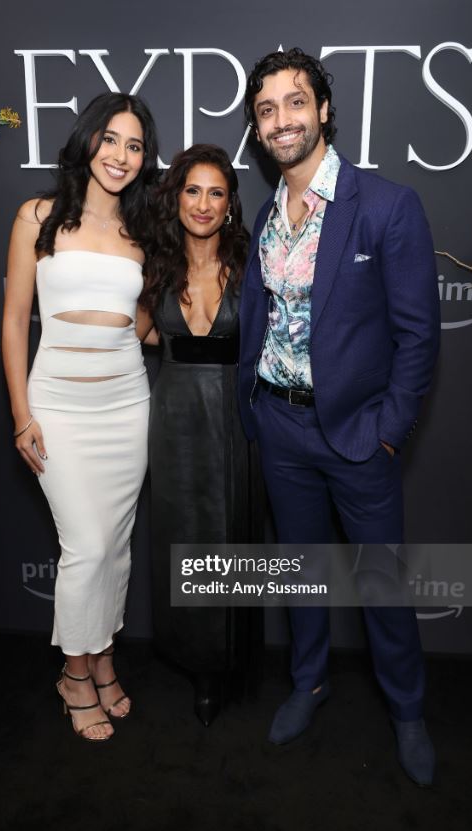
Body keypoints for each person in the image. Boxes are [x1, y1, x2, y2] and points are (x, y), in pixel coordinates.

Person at [238, 49, 440, 785]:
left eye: (296, 103)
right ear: (258, 131)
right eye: (267, 110)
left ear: (323, 111)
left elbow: (418, 335)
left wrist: (388, 430)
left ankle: (408, 710)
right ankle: (309, 680)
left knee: (382, 581)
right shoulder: (265, 214)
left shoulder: (385, 205)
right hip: (281, 428)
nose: (282, 119)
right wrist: (256, 408)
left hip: (358, 435)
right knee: (301, 572)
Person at [2, 92, 159, 742]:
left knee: (114, 549)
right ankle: (73, 672)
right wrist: (20, 413)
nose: (121, 156)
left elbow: (143, 326)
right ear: (88, 139)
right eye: (112, 139)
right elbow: (14, 321)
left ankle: (102, 658)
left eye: (136, 146)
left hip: (127, 406)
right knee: (86, 546)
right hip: (58, 407)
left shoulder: (143, 234)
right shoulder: (37, 217)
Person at [139, 144, 263, 726]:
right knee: (182, 534)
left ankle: (228, 659)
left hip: (236, 418)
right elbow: (130, 334)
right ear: (176, 197)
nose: (204, 204)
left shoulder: (251, 263)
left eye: (217, 192)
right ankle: (194, 658)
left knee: (230, 532)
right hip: (173, 418)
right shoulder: (154, 266)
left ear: (230, 203)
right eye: (193, 190)